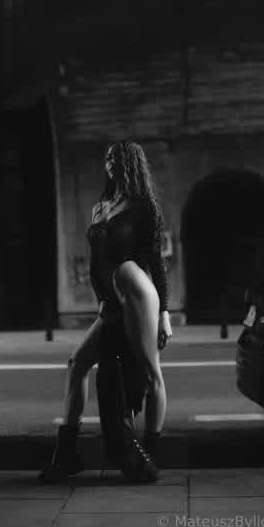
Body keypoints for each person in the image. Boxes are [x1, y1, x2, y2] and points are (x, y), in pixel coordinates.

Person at [39, 140, 172, 483]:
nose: (110, 162)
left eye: (116, 157)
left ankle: (148, 454)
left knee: (150, 372)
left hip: (137, 294)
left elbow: (156, 261)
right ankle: (66, 455)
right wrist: (101, 299)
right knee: (77, 365)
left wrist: (164, 313)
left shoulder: (145, 207)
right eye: (107, 157)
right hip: (110, 303)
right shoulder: (100, 208)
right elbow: (97, 262)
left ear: (131, 162)